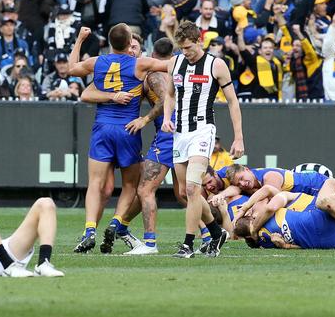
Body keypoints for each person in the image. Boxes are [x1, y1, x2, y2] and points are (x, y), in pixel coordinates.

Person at [68, 24, 169, 253]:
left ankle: (90, 229)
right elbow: (170, 64)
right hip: (128, 129)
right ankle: (115, 223)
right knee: (131, 184)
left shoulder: (98, 62)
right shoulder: (139, 65)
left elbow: (72, 69)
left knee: (95, 183)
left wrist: (80, 39)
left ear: (110, 43)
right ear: (128, 45)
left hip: (102, 127)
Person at [161, 20, 244, 258]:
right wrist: (167, 117)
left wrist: (238, 138)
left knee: (192, 186)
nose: (184, 52)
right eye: (181, 48)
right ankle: (217, 232)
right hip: (179, 133)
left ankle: (187, 244)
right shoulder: (174, 63)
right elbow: (169, 94)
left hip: (202, 130)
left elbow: (232, 101)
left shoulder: (216, 65)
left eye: (188, 47)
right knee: (187, 193)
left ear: (199, 41)